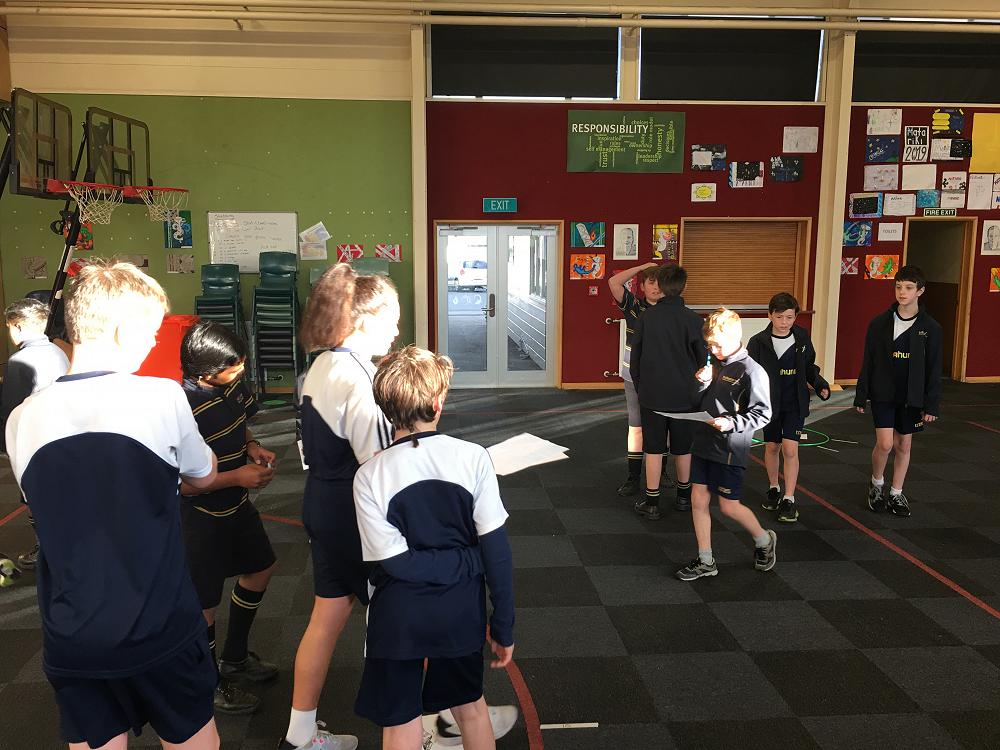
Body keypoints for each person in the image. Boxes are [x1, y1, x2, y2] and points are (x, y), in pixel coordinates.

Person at [281, 265, 513, 750]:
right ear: (362, 318)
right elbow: (388, 462)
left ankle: (300, 732)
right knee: (397, 614)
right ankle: (438, 717)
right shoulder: (359, 380)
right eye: (391, 319)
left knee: (327, 616)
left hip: (324, 503)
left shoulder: (320, 365)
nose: (396, 330)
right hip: (359, 515)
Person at [5, 260, 221, 749]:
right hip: (160, 622)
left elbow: (44, 503)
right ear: (126, 329)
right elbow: (205, 474)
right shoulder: (162, 395)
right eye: (152, 332)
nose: (154, 343)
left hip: (72, 630)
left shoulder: (21, 418)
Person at [354, 345, 514, 750]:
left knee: (400, 723)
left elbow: (398, 564)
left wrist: (458, 561)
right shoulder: (474, 458)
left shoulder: (369, 475)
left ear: (386, 408)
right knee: (471, 708)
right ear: (438, 403)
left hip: (398, 617)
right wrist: (503, 623)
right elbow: (496, 554)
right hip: (459, 611)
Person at [178, 321, 279, 716]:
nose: (241, 370)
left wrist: (252, 446)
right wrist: (236, 477)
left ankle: (235, 657)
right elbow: (180, 485)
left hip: (236, 507)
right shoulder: (183, 408)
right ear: (205, 371)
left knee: (261, 568)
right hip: (199, 518)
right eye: (233, 366)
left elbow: (240, 423)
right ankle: (209, 683)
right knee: (204, 604)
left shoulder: (231, 387)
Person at [676, 308, 777, 581]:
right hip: (703, 442)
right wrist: (701, 384)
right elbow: (697, 402)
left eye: (717, 344)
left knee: (729, 506)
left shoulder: (752, 371)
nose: (712, 349)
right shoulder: (715, 365)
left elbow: (763, 414)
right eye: (709, 344)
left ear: (735, 338)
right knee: (698, 499)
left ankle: (764, 540)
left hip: (730, 448)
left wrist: (731, 423)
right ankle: (706, 560)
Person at [854, 265, 942, 517]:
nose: (902, 292)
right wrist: (862, 394)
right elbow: (868, 361)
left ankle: (896, 492)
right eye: (899, 287)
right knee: (885, 444)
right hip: (883, 392)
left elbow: (933, 368)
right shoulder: (879, 323)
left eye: (909, 288)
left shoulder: (931, 328)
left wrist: (931, 404)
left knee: (903, 445)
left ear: (920, 291)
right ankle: (876, 484)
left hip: (911, 396)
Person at [629, 265, 707, 519]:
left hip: (653, 395)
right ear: (684, 287)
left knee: (653, 449)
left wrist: (641, 388)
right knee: (683, 449)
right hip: (686, 397)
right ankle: (684, 498)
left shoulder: (647, 318)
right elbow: (703, 361)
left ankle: (652, 502)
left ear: (660, 286)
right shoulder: (694, 320)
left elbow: (635, 359)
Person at [747, 293, 830, 523]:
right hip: (770, 404)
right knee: (772, 446)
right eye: (779, 317)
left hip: (795, 402)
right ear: (770, 315)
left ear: (795, 317)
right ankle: (774, 487)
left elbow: (809, 366)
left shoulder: (802, 337)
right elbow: (749, 375)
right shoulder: (758, 342)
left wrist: (820, 384)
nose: (784, 322)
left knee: (791, 449)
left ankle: (789, 498)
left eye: (789, 317)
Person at [0, 298, 70, 570]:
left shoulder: (19, 360)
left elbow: (11, 410)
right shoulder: (58, 351)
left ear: (17, 326)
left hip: (35, 440)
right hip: (63, 434)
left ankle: (45, 549)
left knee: (32, 496)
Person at [607, 262, 669, 497]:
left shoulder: (671, 310)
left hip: (662, 377)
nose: (656, 287)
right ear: (642, 286)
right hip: (634, 377)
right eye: (650, 282)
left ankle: (662, 472)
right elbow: (614, 282)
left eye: (660, 283)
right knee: (636, 427)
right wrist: (642, 267)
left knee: (663, 427)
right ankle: (633, 477)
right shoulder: (634, 306)